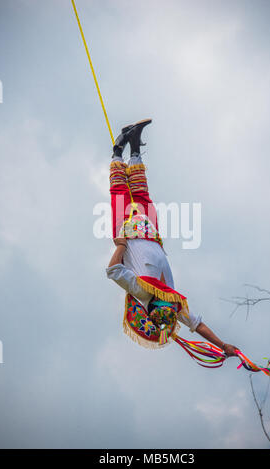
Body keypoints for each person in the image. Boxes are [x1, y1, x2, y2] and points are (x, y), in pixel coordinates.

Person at [106, 119, 238, 356]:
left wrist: (121, 246)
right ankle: (134, 143)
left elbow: (113, 271)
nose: (169, 307)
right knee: (142, 191)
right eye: (170, 310)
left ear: (153, 309)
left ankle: (117, 149)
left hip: (126, 229)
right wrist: (222, 345)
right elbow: (197, 324)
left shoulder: (141, 291)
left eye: (164, 309)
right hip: (151, 232)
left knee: (120, 189)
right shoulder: (173, 300)